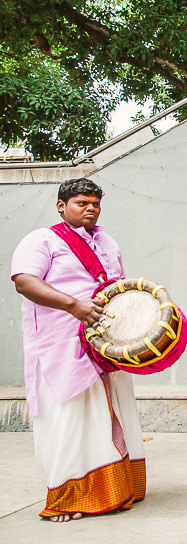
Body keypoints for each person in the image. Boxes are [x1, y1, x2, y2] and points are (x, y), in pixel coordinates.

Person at [11, 178, 145, 521]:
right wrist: (73, 306)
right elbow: (25, 281)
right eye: (81, 203)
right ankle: (67, 497)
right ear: (62, 206)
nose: (90, 209)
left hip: (105, 343)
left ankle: (115, 490)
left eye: (95, 204)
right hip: (61, 342)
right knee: (69, 419)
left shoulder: (107, 241)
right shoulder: (41, 239)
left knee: (112, 411)